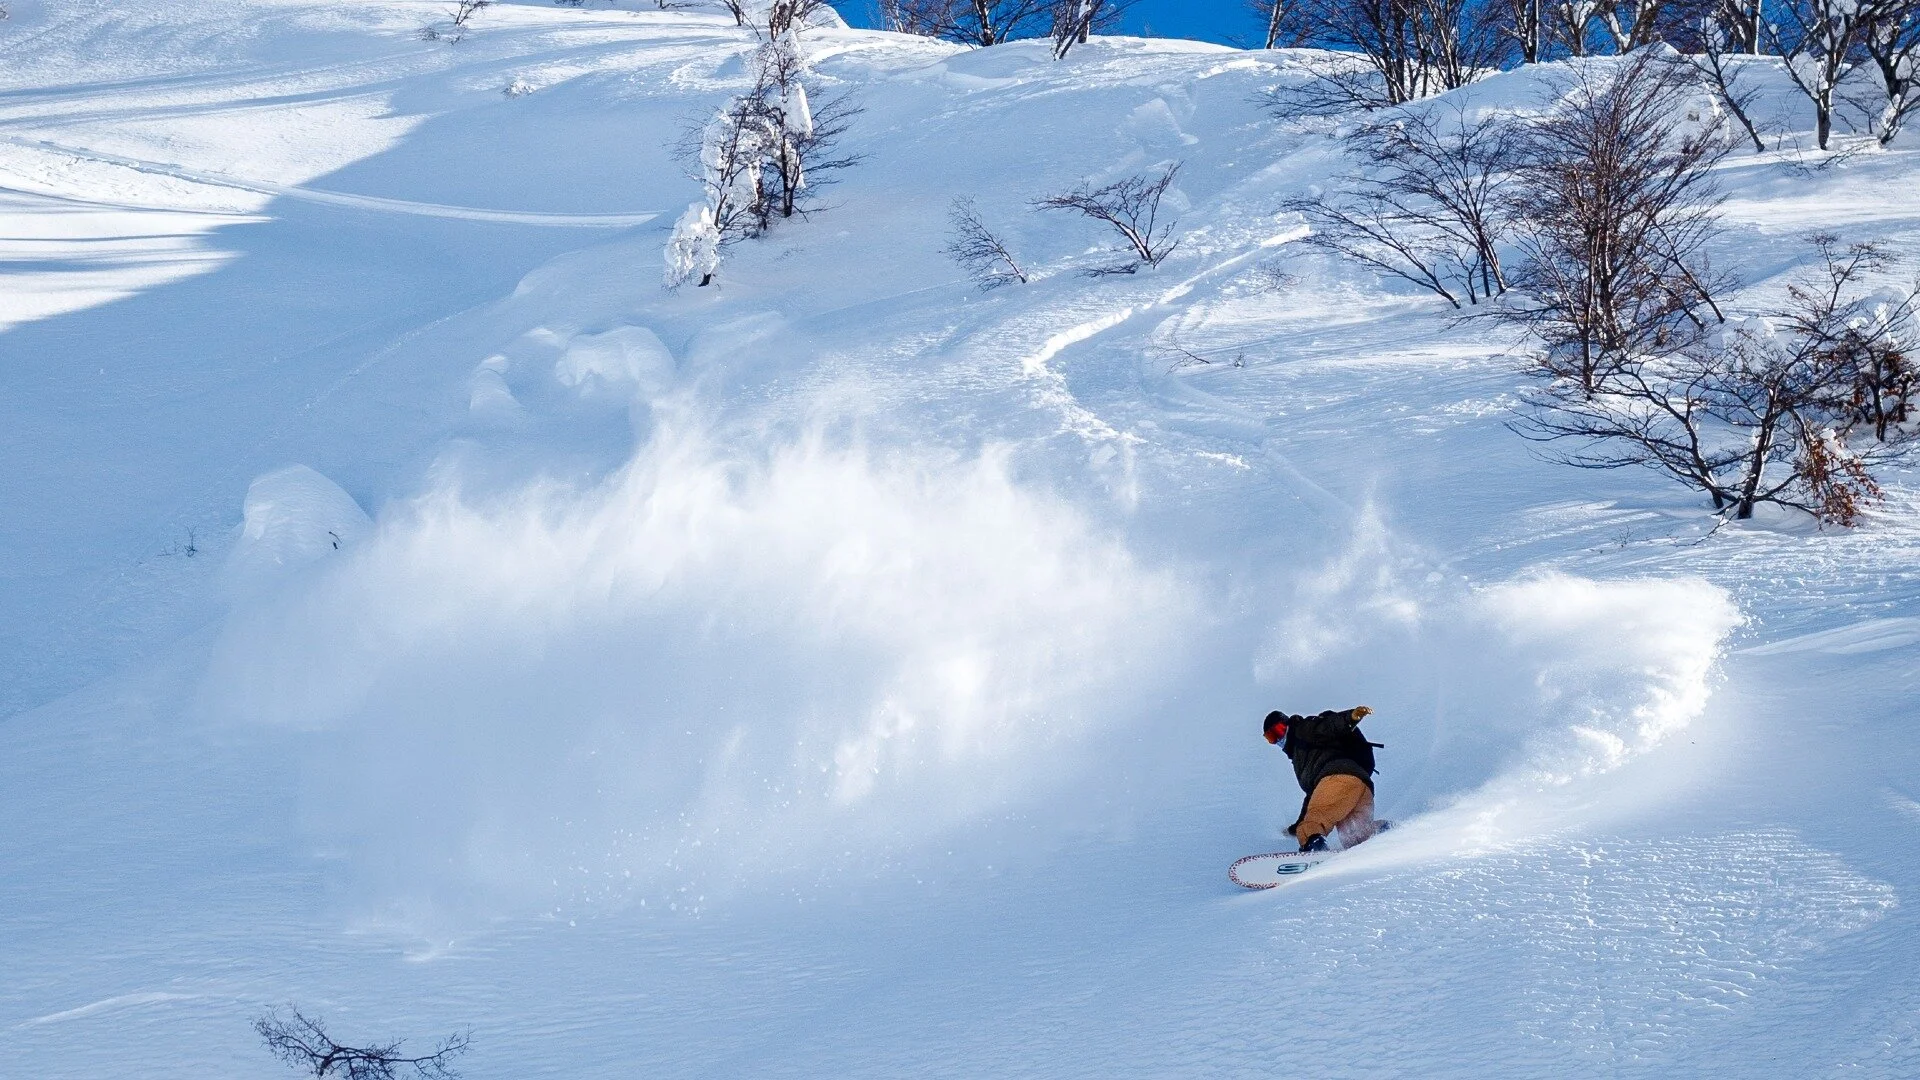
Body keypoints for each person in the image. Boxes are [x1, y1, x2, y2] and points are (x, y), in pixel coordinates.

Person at [1263, 706, 1384, 853]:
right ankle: (1391, 834)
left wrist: (1351, 717)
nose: (1278, 739)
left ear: (1287, 724)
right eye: (1271, 737)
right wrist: (1297, 826)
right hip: (1361, 785)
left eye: (1279, 730)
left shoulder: (1303, 729)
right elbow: (1314, 795)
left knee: (1312, 825)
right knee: (1356, 837)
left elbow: (1329, 726)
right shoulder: (1303, 756)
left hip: (1338, 780)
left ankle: (1314, 850)